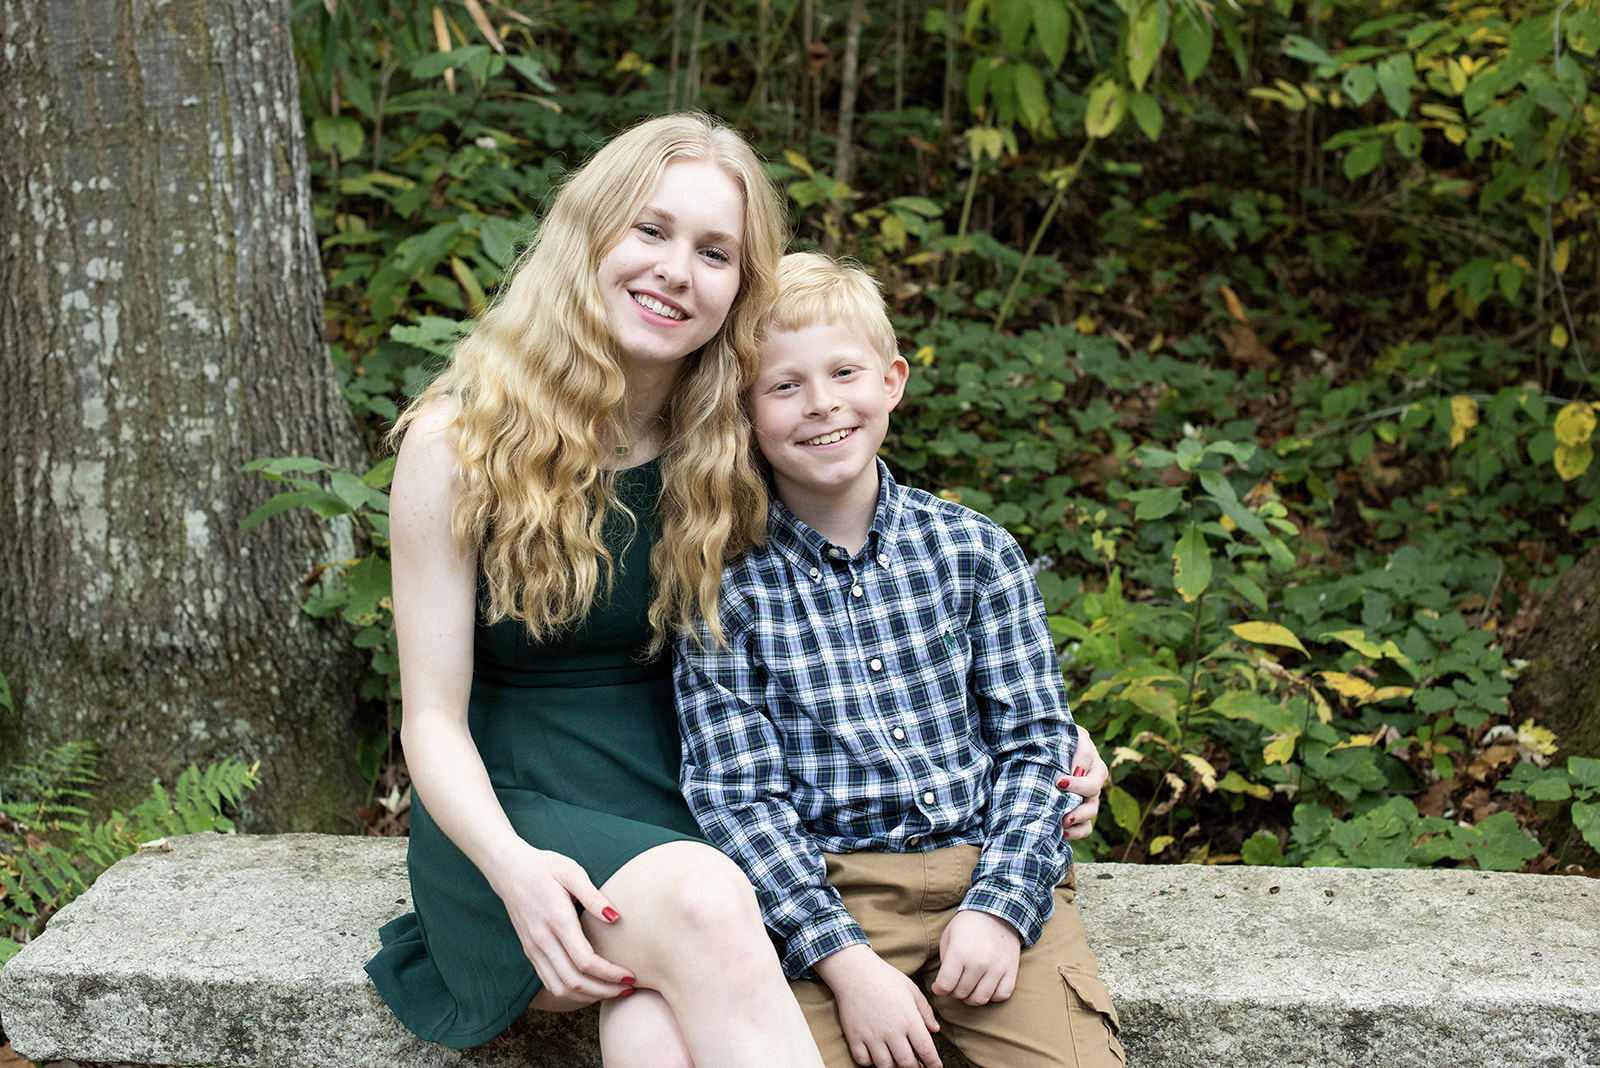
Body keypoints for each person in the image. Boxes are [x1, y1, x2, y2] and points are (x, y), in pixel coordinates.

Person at [364, 112, 825, 1067]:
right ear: (589, 236)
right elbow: (431, 721)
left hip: (693, 789)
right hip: (507, 813)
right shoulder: (457, 445)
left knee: (654, 1027)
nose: (675, 270)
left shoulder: (737, 442)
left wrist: (1030, 730)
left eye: (715, 252)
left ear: (739, 288)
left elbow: (883, 585)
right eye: (649, 231)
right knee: (701, 899)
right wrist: (516, 873)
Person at [675, 252, 1124, 1068]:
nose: (822, 405)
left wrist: (1001, 905)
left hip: (988, 868)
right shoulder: (723, 590)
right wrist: (844, 963)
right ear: (744, 412)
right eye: (783, 386)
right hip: (825, 898)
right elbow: (740, 800)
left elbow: (1036, 746)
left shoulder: (976, 552)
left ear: (892, 381)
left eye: (844, 371)